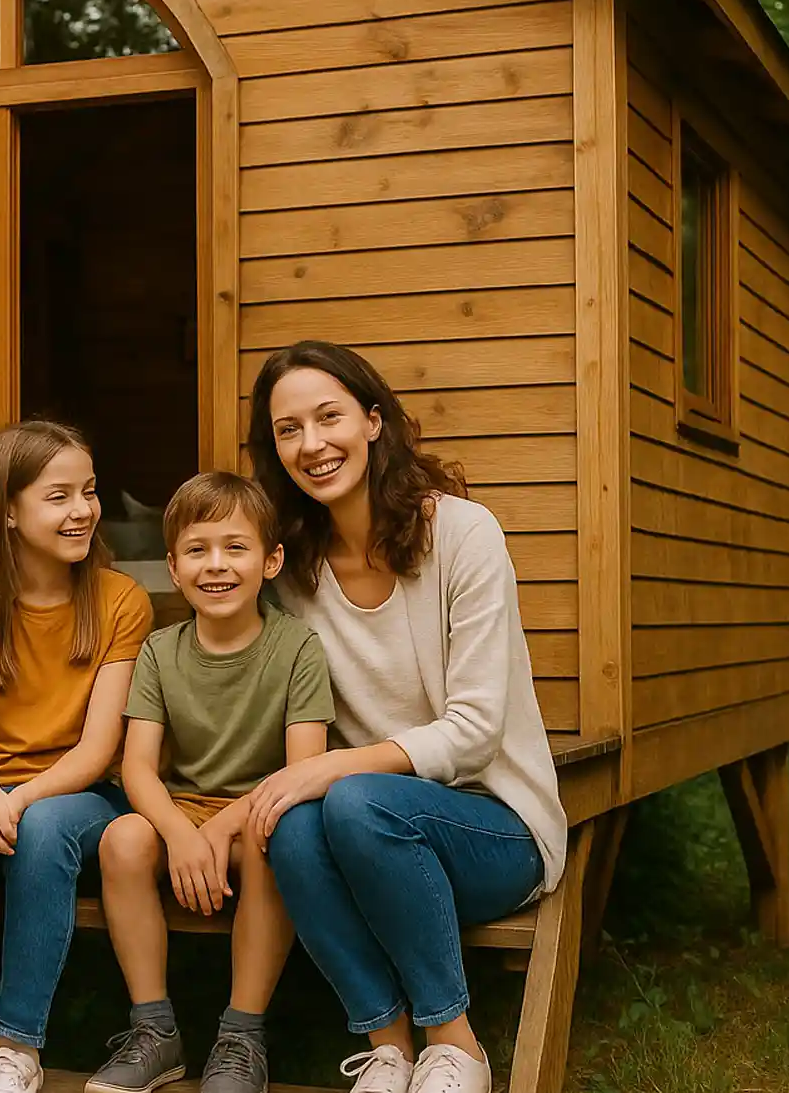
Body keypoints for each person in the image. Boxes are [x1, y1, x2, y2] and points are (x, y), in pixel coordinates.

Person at [242, 341, 567, 1093]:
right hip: (365, 826)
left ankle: (454, 1045)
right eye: (288, 429)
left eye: (329, 417)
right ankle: (387, 1046)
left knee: (348, 799)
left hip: (495, 826)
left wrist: (328, 767)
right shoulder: (289, 568)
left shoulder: (462, 532)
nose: (312, 444)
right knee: (289, 823)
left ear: (373, 420)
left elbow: (476, 728)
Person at [0, 420, 154, 1093]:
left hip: (84, 796)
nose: (81, 509)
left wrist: (17, 798)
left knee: (45, 827)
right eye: (58, 496)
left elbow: (98, 747)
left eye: (89, 491)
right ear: (9, 513)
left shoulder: (118, 600)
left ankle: (18, 1046)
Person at [87, 472, 334, 1093]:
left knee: (269, 841)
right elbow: (138, 767)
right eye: (197, 550)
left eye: (236, 547)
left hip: (263, 806)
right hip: (183, 809)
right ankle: (154, 1031)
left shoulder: (298, 648)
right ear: (173, 566)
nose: (216, 566)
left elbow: (300, 769)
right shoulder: (160, 651)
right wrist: (178, 832)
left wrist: (220, 830)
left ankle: (241, 1035)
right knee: (122, 839)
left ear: (271, 560)